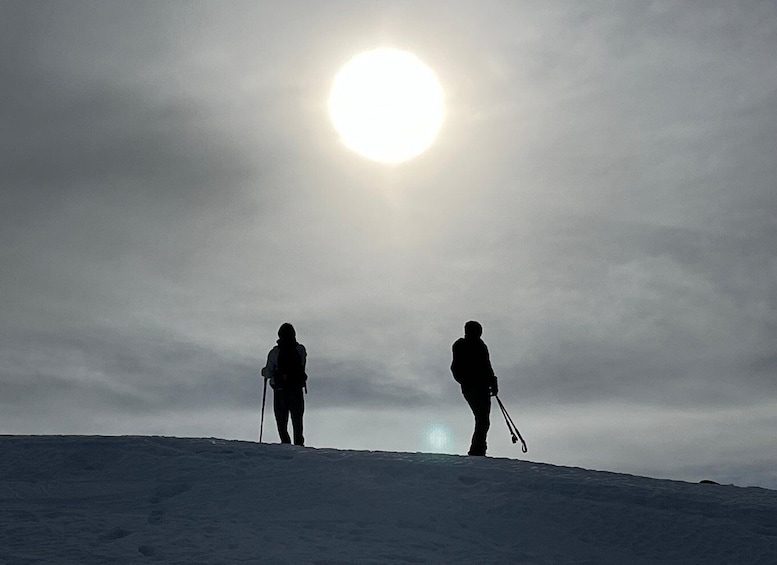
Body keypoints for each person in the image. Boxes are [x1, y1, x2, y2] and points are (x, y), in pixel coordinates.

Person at [450, 321, 498, 456]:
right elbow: (456, 368)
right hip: (472, 387)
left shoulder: (481, 346)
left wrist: (493, 382)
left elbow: (487, 366)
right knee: (482, 419)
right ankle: (478, 449)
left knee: (484, 420)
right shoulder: (460, 345)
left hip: (482, 387)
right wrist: (467, 382)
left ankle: (479, 448)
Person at [263, 323, 307, 446]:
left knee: (281, 421)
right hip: (296, 389)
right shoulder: (300, 350)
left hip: (280, 391)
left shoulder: (275, 352)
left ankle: (285, 444)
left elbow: (268, 372)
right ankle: (299, 444)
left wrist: (263, 372)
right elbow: (302, 365)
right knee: (297, 420)